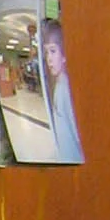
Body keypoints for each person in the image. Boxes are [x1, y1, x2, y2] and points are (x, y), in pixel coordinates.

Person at [41, 16, 84, 164]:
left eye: (53, 51)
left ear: (65, 54)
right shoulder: (60, 85)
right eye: (46, 53)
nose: (49, 59)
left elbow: (80, 137)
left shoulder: (65, 88)